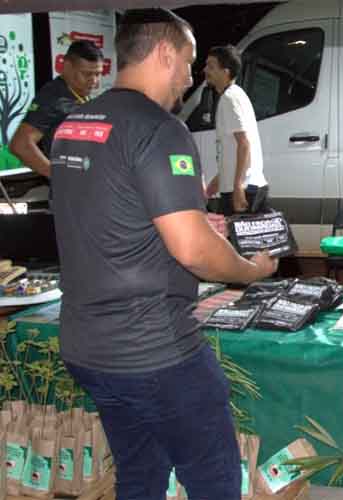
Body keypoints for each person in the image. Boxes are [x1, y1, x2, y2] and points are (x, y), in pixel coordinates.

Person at [49, 9, 278, 500]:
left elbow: (111, 213)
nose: (190, 78)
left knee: (140, 476)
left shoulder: (75, 124)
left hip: (88, 347)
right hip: (155, 351)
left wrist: (188, 220)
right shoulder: (159, 128)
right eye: (188, 63)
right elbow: (193, 251)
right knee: (214, 481)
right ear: (163, 53)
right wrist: (250, 271)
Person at [10, 40, 103, 178]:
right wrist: (57, 176)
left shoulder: (81, 94)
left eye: (98, 74)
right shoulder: (52, 98)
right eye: (87, 74)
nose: (94, 81)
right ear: (67, 66)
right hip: (70, 187)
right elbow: (20, 145)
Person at [203, 44, 269, 215]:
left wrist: (238, 185)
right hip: (246, 186)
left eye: (211, 66)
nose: (205, 70)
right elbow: (232, 151)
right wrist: (214, 185)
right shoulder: (236, 94)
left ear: (225, 72)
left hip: (241, 189)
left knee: (231, 233)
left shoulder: (229, 98)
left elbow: (244, 143)